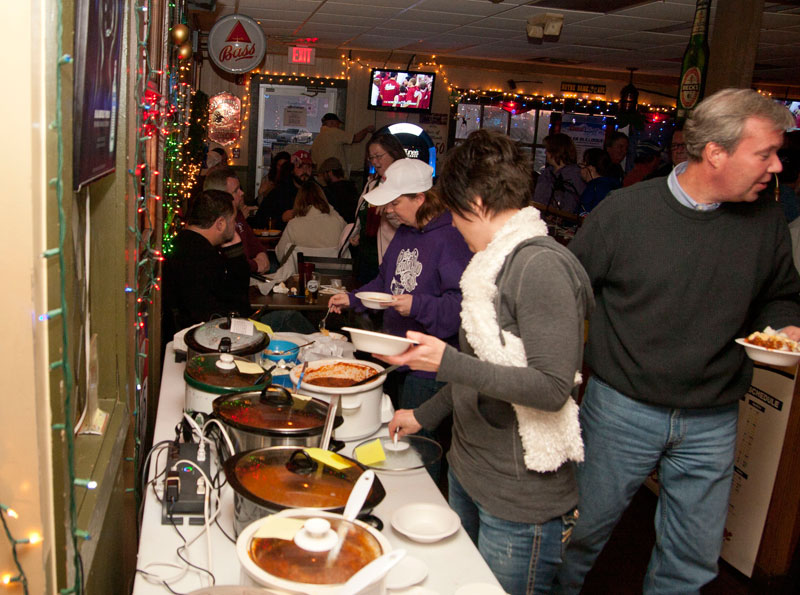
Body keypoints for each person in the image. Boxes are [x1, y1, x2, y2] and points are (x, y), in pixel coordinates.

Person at [554, 88, 800, 594]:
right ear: (715, 152)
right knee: (576, 537)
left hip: (715, 416)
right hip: (621, 410)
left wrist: (785, 326)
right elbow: (564, 295)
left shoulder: (767, 221)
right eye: (765, 153)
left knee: (691, 563)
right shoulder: (624, 212)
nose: (776, 167)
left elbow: (782, 296)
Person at [380, 131, 592, 595]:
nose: (452, 226)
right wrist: (422, 415)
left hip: (517, 496)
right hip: (471, 470)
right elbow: (481, 372)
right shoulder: (488, 264)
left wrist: (449, 362)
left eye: (455, 213)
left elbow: (553, 388)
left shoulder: (540, 267)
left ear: (476, 202)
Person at [329, 158, 472, 425]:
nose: (389, 210)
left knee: (414, 448)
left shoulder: (451, 239)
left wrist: (417, 306)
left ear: (420, 199)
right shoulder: (406, 232)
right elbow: (385, 281)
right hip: (397, 358)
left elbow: (461, 308)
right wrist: (352, 298)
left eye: (395, 203)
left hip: (428, 371)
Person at [163, 189, 250, 333]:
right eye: (233, 220)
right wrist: (236, 255)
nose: (234, 226)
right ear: (220, 224)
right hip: (209, 339)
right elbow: (239, 310)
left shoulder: (177, 244)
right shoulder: (205, 257)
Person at [347, 131, 407, 284]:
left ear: (394, 154)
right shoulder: (372, 184)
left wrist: (391, 207)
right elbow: (363, 215)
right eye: (371, 157)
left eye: (379, 156)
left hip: (390, 260)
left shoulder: (406, 185)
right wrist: (359, 233)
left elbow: (412, 225)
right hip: (365, 258)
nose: (374, 161)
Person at [204, 167, 269, 274]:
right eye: (236, 191)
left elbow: (256, 246)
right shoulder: (214, 223)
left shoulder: (238, 215)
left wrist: (262, 256)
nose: (242, 193)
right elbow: (226, 264)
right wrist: (255, 265)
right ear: (221, 196)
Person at [275, 181, 347, 264]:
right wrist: (328, 207)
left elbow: (280, 256)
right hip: (335, 275)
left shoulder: (294, 225)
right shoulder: (338, 222)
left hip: (304, 275)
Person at [251, 150, 313, 231]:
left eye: (308, 166)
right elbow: (260, 221)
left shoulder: (318, 192)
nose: (305, 171)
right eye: (300, 166)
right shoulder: (279, 193)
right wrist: (282, 219)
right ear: (292, 169)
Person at [532, 133, 585, 215]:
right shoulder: (547, 173)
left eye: (548, 150)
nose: (545, 153)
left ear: (556, 151)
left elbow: (571, 204)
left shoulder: (574, 175)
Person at [318, 157, 359, 224]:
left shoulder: (329, 191)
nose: (322, 177)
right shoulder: (353, 187)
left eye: (324, 174)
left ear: (330, 173)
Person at [579, 148, 620, 213]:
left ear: (590, 168)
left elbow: (582, 214)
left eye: (582, 165)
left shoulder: (593, 189)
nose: (580, 170)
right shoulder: (615, 185)